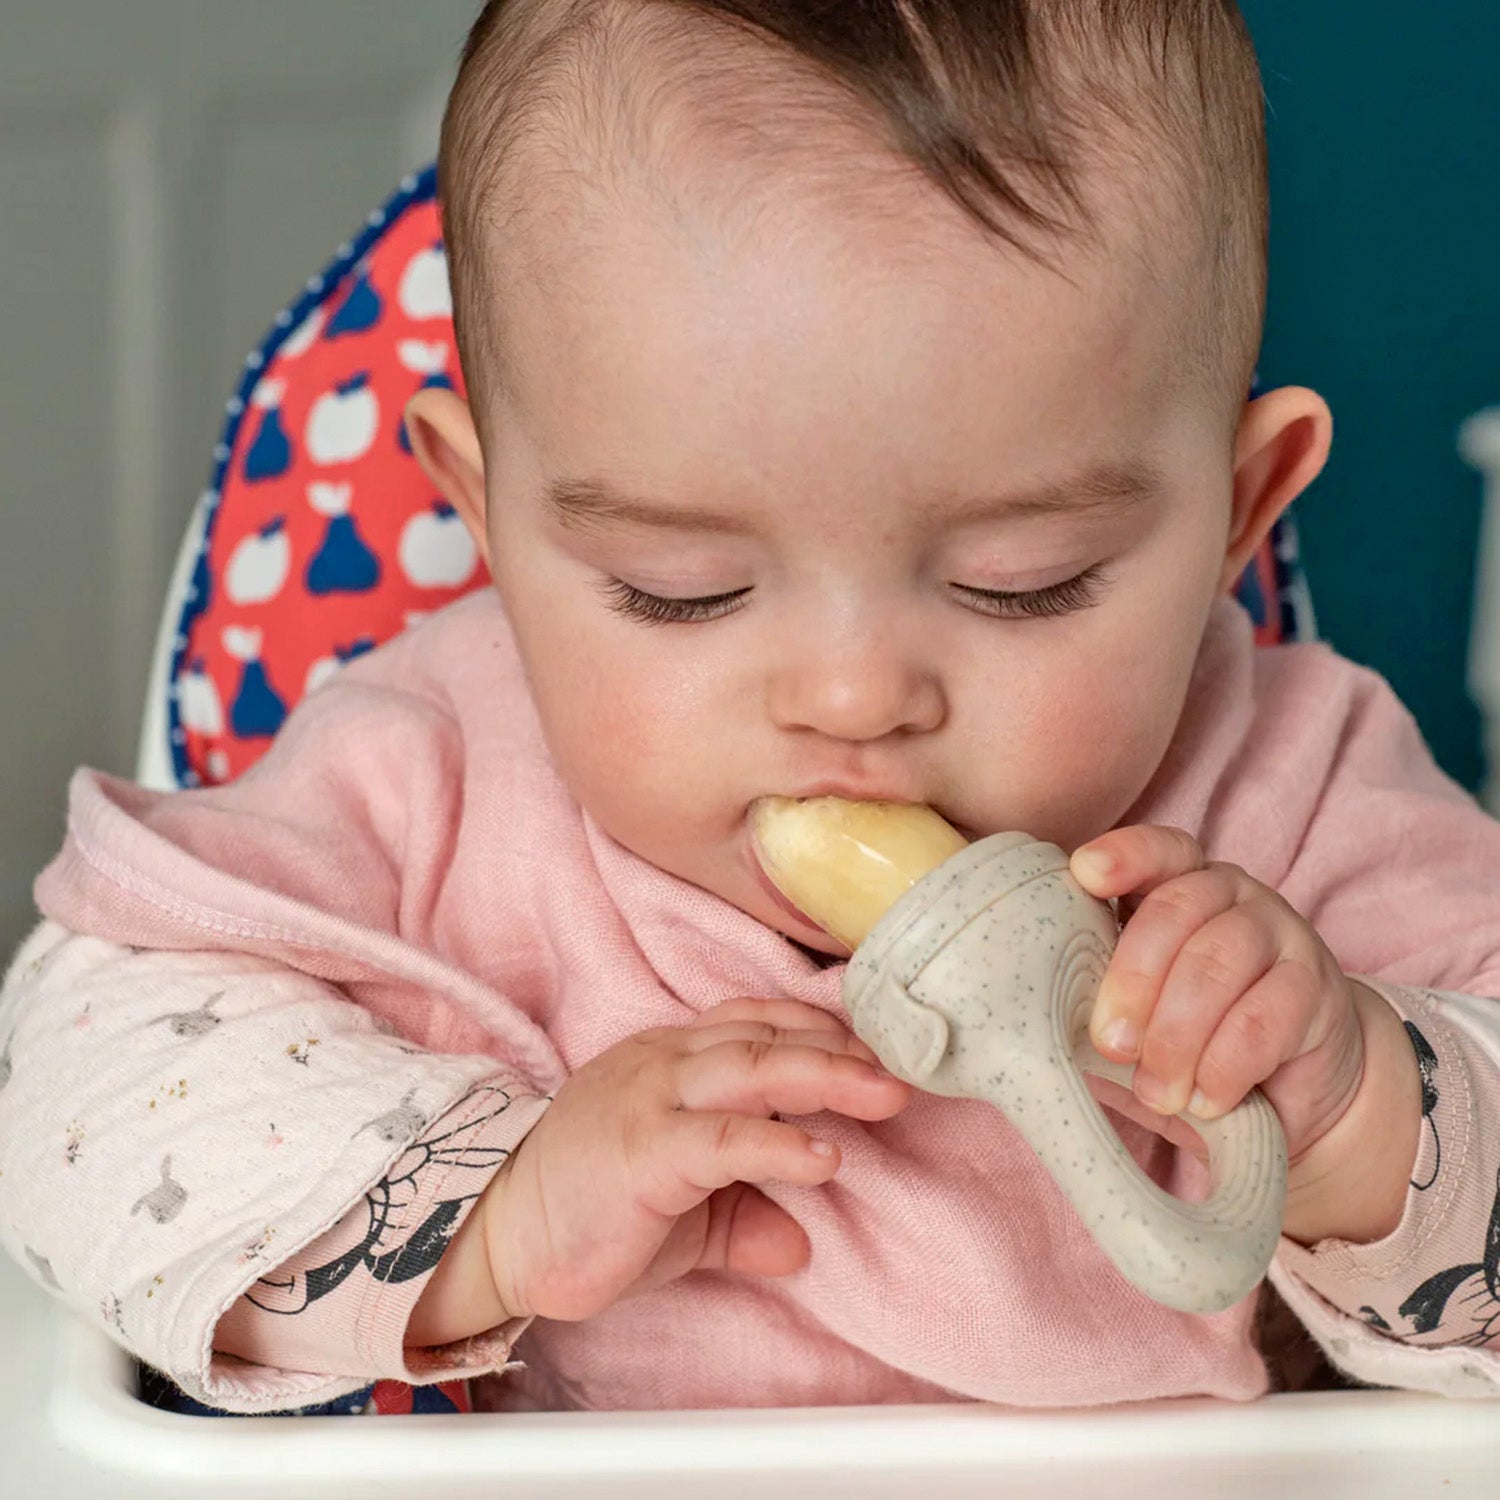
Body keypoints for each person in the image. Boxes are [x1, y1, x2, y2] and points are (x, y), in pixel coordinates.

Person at [3, 0, 1498, 1417]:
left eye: (1024, 583)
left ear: (1234, 517)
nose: (853, 699)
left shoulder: (1293, 785)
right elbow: (81, 1078)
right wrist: (498, 1221)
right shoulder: (435, 772)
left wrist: (1362, 1107)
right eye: (681, 590)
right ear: (496, 523)